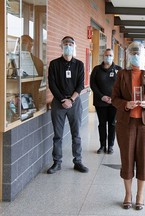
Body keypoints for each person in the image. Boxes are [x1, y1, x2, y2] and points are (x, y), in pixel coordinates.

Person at [111, 41, 145, 210]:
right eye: (132, 53)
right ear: (127, 56)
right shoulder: (122, 74)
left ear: (144, 55)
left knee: (143, 158)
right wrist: (126, 104)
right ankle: (127, 193)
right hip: (126, 123)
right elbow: (114, 98)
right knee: (126, 158)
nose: (135, 56)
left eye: (138, 53)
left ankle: (140, 194)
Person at [47, 36, 89, 174]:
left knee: (76, 134)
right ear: (61, 46)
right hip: (58, 104)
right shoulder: (54, 64)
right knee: (57, 135)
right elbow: (52, 84)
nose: (68, 46)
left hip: (75, 103)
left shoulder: (79, 64)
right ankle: (56, 162)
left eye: (71, 44)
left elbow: (80, 84)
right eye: (66, 44)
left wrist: (71, 100)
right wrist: (62, 100)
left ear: (74, 46)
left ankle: (78, 161)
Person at [90, 49, 122, 154]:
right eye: (106, 55)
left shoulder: (118, 70)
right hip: (100, 102)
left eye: (110, 55)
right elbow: (93, 85)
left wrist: (114, 98)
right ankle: (102, 145)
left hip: (114, 102)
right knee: (102, 124)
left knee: (112, 124)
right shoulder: (96, 69)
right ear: (103, 56)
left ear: (113, 57)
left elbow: (122, 86)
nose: (108, 57)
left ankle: (111, 146)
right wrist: (102, 96)